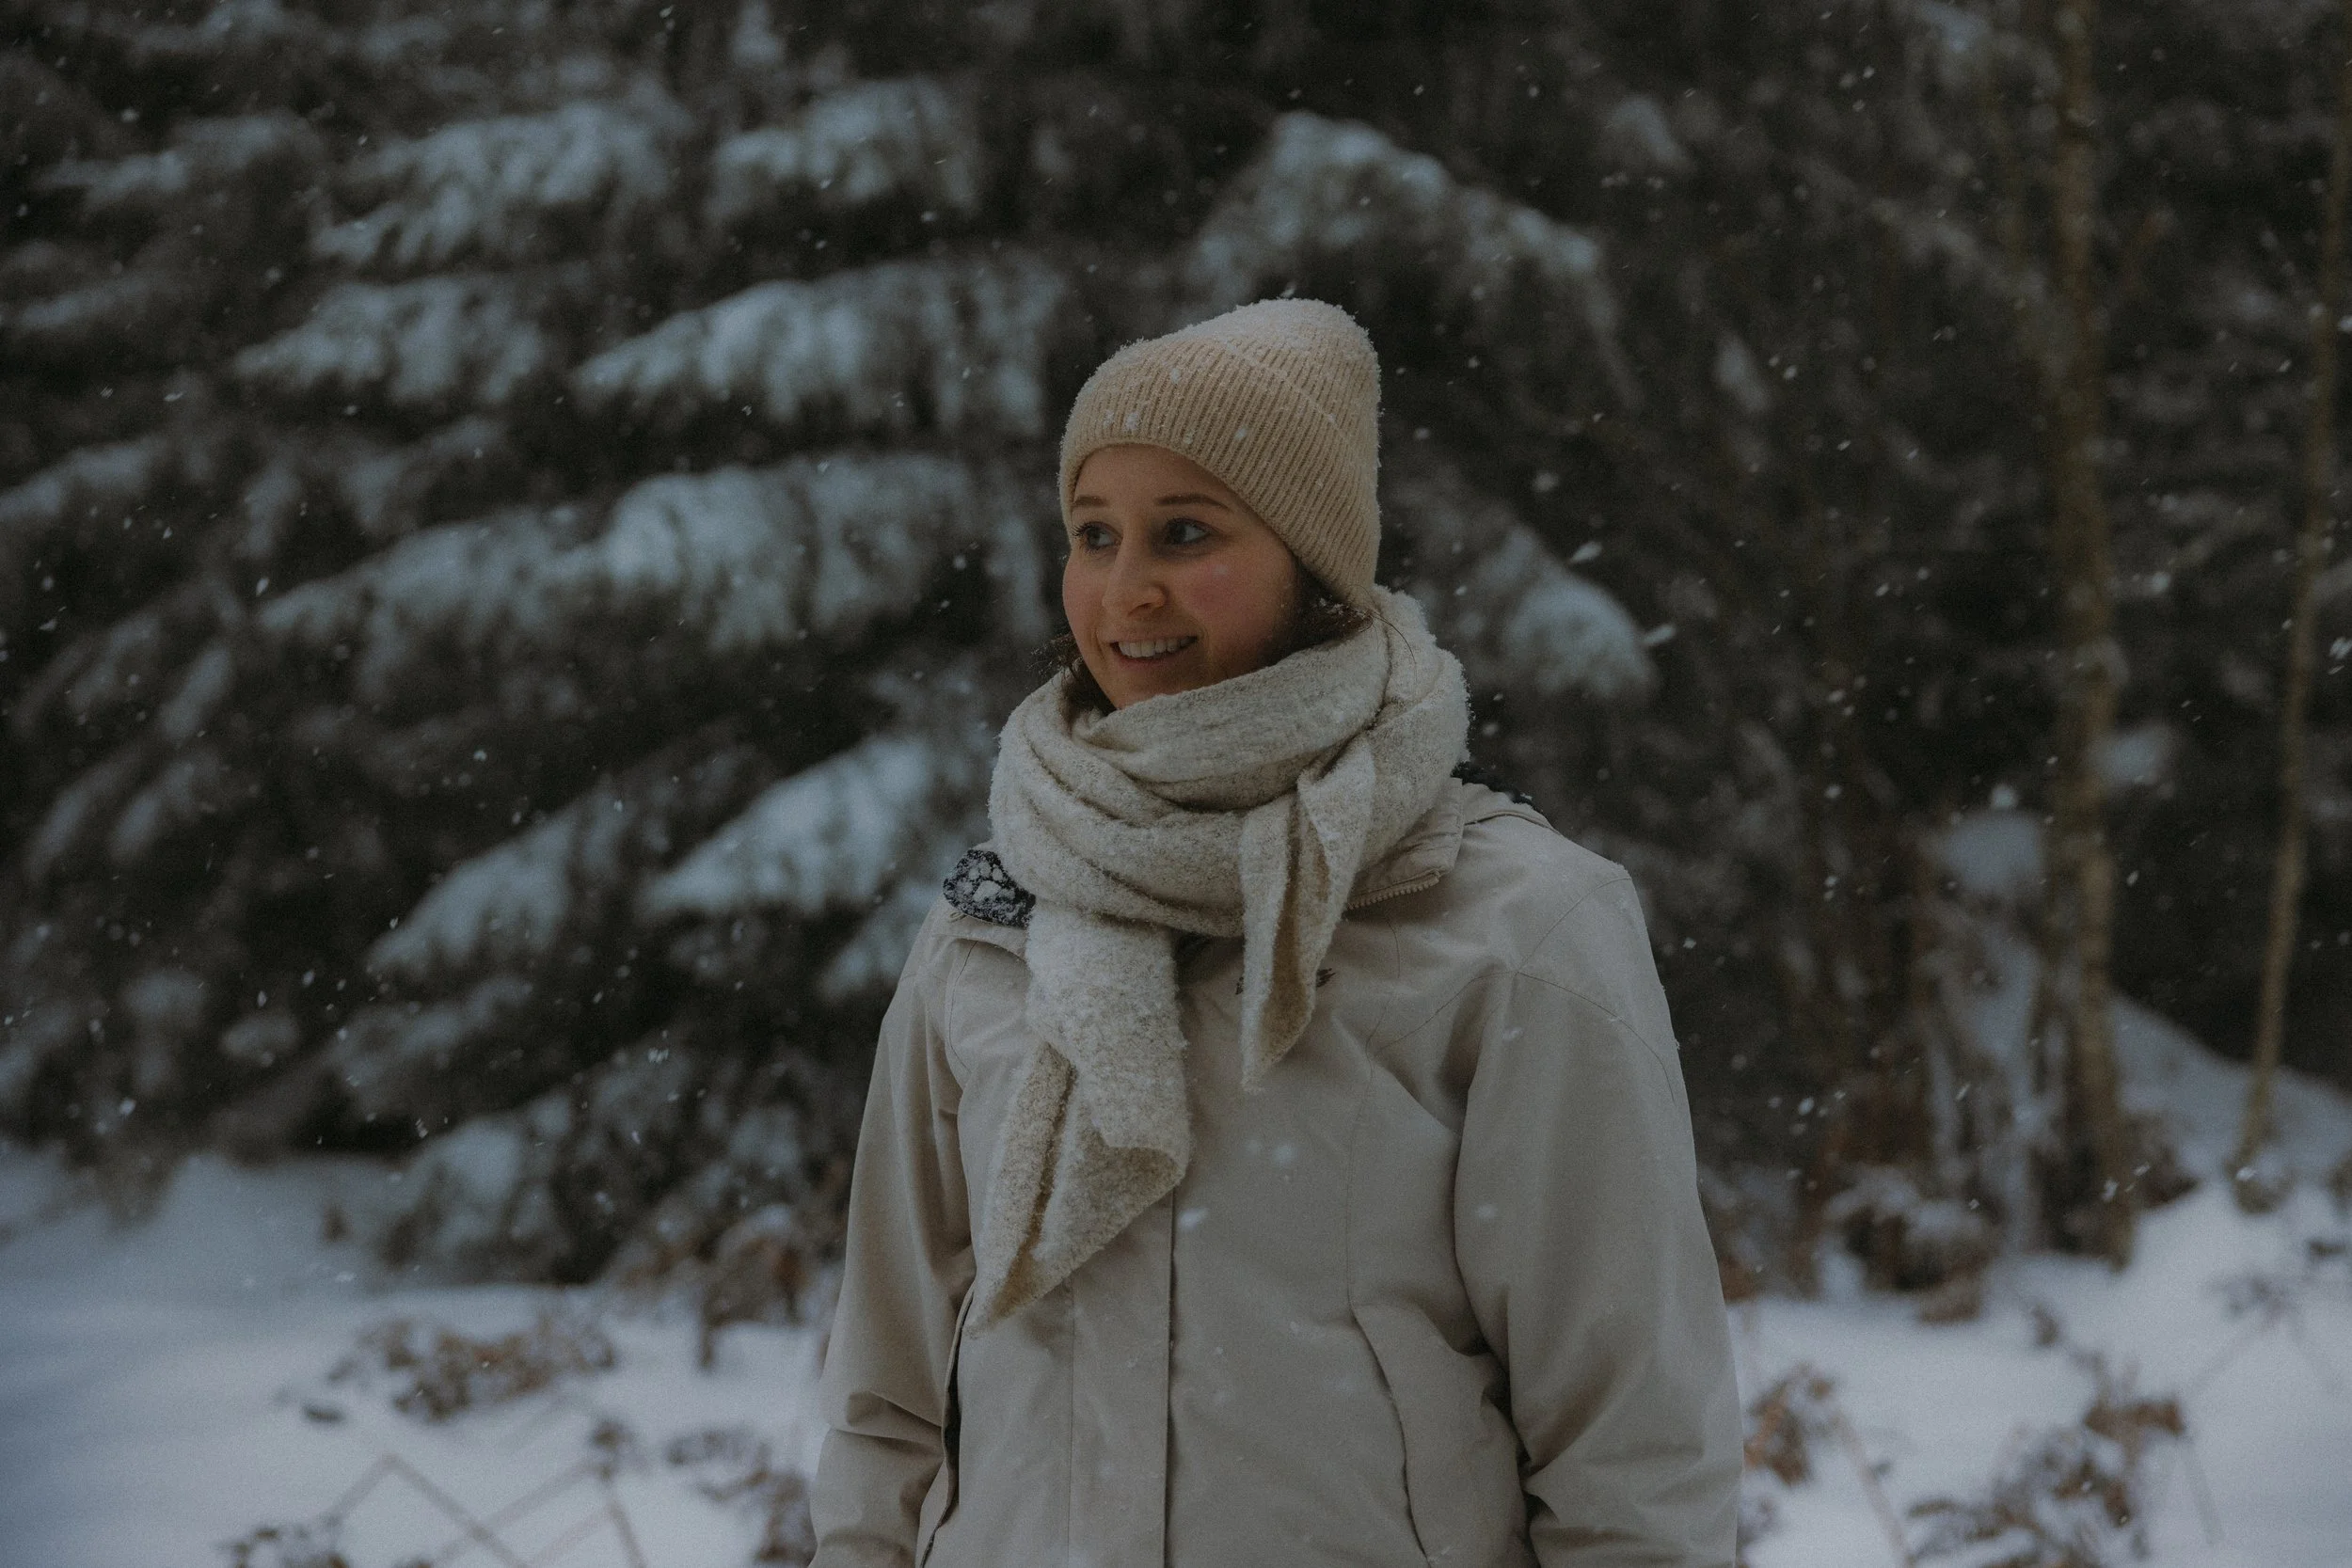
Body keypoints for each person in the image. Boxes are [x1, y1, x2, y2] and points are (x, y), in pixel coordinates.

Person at [808, 298, 1742, 1567]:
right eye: (1094, 534)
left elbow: (1632, 1433)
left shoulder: (1517, 923)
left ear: (1313, 564)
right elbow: (887, 1388)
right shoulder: (994, 922)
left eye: (1186, 532)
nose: (1124, 589)